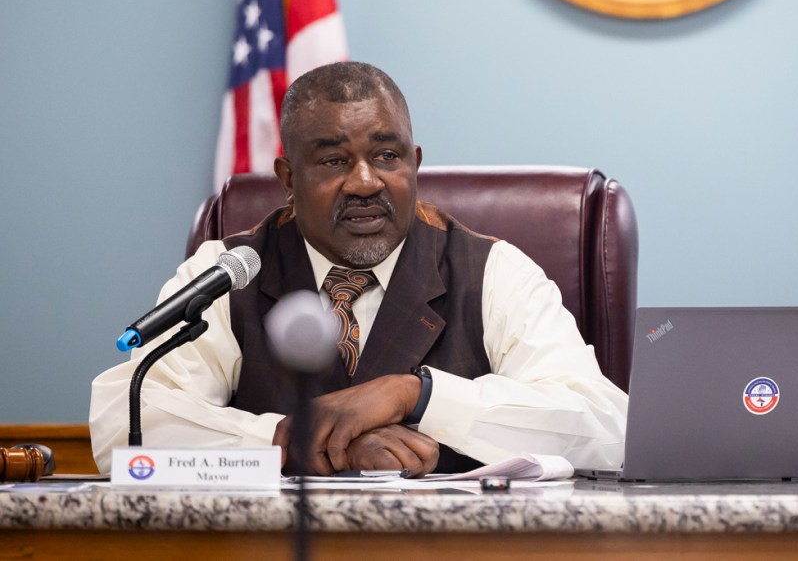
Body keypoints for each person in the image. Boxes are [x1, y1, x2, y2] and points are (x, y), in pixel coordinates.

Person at [90, 61, 627, 476]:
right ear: (287, 178)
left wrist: (416, 394)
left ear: (415, 163)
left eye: (387, 156)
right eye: (333, 161)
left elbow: (607, 430)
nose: (365, 181)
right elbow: (129, 424)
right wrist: (295, 441)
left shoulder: (493, 271)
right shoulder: (231, 272)